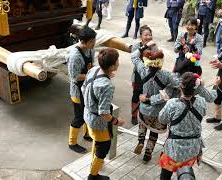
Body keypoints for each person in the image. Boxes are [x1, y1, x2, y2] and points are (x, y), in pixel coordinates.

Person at [158, 72, 219, 180]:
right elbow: (210, 98)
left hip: (173, 149)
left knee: (165, 176)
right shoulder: (201, 102)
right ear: (196, 87)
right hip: (192, 148)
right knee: (185, 174)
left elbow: (162, 119)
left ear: (180, 87)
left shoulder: (172, 103)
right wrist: (215, 86)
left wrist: (167, 103)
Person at [131, 41, 179, 163]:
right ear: (160, 63)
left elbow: (134, 56)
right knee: (154, 132)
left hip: (144, 109)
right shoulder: (167, 75)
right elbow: (178, 84)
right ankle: (148, 153)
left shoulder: (143, 70)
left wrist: (146, 46)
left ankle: (141, 141)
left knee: (142, 124)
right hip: (158, 112)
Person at [82, 48, 125, 180]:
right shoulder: (107, 86)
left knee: (98, 142)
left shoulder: (94, 70)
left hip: (87, 114)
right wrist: (117, 121)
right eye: (117, 61)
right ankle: (93, 175)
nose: (118, 62)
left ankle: (94, 164)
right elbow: (104, 112)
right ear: (112, 66)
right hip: (98, 122)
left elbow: (84, 87)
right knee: (104, 147)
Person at [67, 26, 96, 154]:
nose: (94, 43)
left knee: (87, 112)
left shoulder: (90, 50)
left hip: (87, 88)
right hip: (77, 91)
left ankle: (87, 135)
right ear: (84, 41)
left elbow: (91, 66)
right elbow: (74, 77)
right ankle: (72, 142)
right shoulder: (74, 56)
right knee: (79, 117)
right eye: (92, 41)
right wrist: (93, 74)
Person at [130, 25, 158, 125]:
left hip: (149, 75)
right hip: (138, 75)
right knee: (136, 95)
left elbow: (156, 60)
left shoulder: (154, 46)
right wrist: (145, 48)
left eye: (150, 35)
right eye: (146, 35)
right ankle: (134, 115)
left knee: (146, 95)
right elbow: (134, 58)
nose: (148, 37)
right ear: (140, 36)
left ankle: (143, 114)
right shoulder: (136, 46)